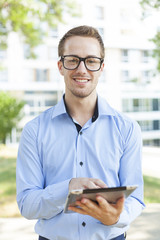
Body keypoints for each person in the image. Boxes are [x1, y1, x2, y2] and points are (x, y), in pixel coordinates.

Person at [16, 25, 145, 240]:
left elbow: (137, 200)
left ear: (101, 68)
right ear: (60, 66)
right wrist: (67, 189)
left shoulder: (127, 129)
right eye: (73, 60)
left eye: (91, 61)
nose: (82, 69)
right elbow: (27, 205)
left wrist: (114, 217)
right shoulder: (34, 131)